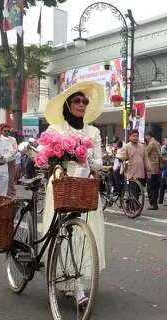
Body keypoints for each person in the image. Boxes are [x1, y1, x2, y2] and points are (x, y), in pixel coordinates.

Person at [40, 81, 107, 304]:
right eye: (77, 101)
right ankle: (66, 280)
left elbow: (98, 162)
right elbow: (42, 155)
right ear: (67, 105)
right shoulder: (55, 129)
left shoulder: (94, 132)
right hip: (62, 184)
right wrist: (60, 156)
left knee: (82, 234)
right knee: (62, 233)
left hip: (84, 186)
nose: (81, 104)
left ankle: (77, 282)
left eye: (85, 101)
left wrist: (83, 155)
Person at [145, 131, 162, 210]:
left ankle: (153, 204)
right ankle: (155, 203)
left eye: (146, 137)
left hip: (151, 168)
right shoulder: (158, 143)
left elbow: (145, 153)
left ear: (148, 136)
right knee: (155, 187)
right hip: (158, 168)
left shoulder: (151, 143)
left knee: (150, 187)